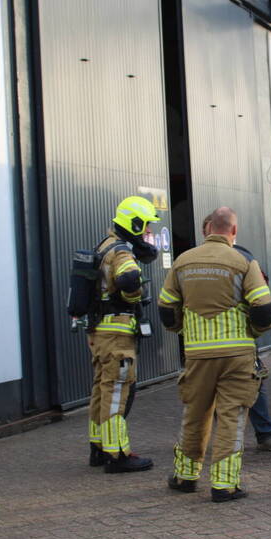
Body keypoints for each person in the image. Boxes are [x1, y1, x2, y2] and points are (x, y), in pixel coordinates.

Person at [159, 207, 271, 502]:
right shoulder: (243, 262)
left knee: (194, 414)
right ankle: (225, 484)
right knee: (232, 416)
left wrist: (183, 330)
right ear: (233, 231)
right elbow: (263, 308)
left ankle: (185, 476)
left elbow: (166, 309)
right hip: (237, 355)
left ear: (207, 229)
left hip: (197, 355)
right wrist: (252, 332)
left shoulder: (183, 262)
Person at [201, 212, 271, 453]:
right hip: (215, 341)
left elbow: (259, 298)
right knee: (212, 394)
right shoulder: (196, 260)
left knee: (254, 384)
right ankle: (217, 440)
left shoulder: (243, 258)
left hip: (231, 340)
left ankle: (263, 435)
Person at [87, 196, 160, 473]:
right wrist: (135, 295)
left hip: (100, 331)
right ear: (135, 223)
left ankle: (98, 447)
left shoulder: (104, 245)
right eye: (146, 227)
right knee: (117, 391)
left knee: (101, 389)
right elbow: (130, 279)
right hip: (117, 333)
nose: (147, 233)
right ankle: (117, 454)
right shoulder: (121, 252)